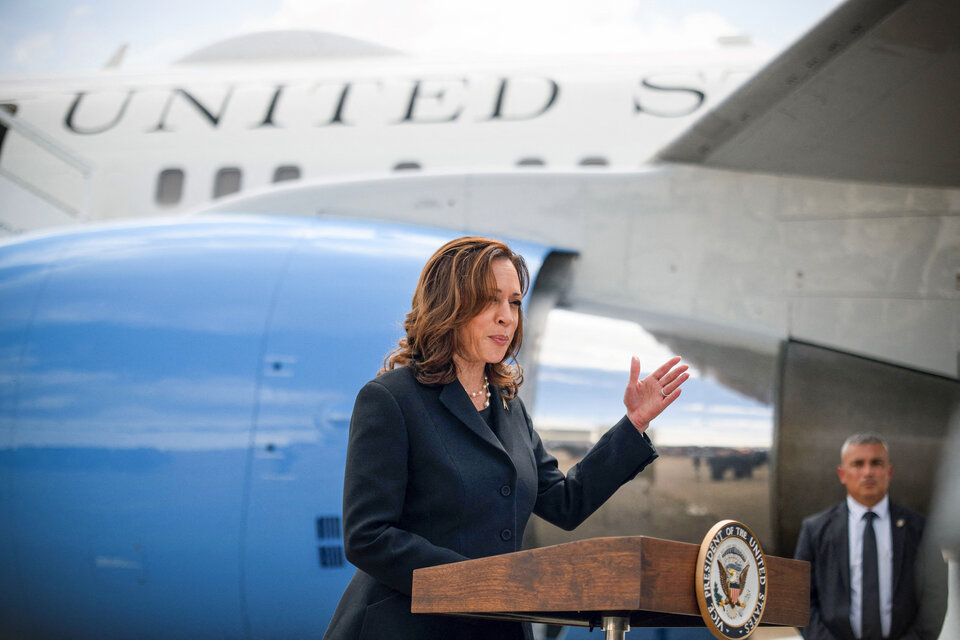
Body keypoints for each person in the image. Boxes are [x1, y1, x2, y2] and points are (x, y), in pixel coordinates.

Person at [322, 236, 689, 640]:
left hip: (498, 630)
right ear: (451, 304)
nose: (506, 317)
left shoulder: (510, 407)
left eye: (514, 302)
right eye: (490, 300)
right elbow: (367, 536)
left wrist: (632, 425)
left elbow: (565, 503)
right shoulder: (392, 399)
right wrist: (479, 583)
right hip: (408, 628)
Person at [794, 433, 948, 640]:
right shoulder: (815, 530)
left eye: (876, 463)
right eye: (858, 464)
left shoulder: (920, 529)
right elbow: (800, 601)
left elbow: (936, 597)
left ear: (889, 471)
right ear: (842, 473)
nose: (868, 472)